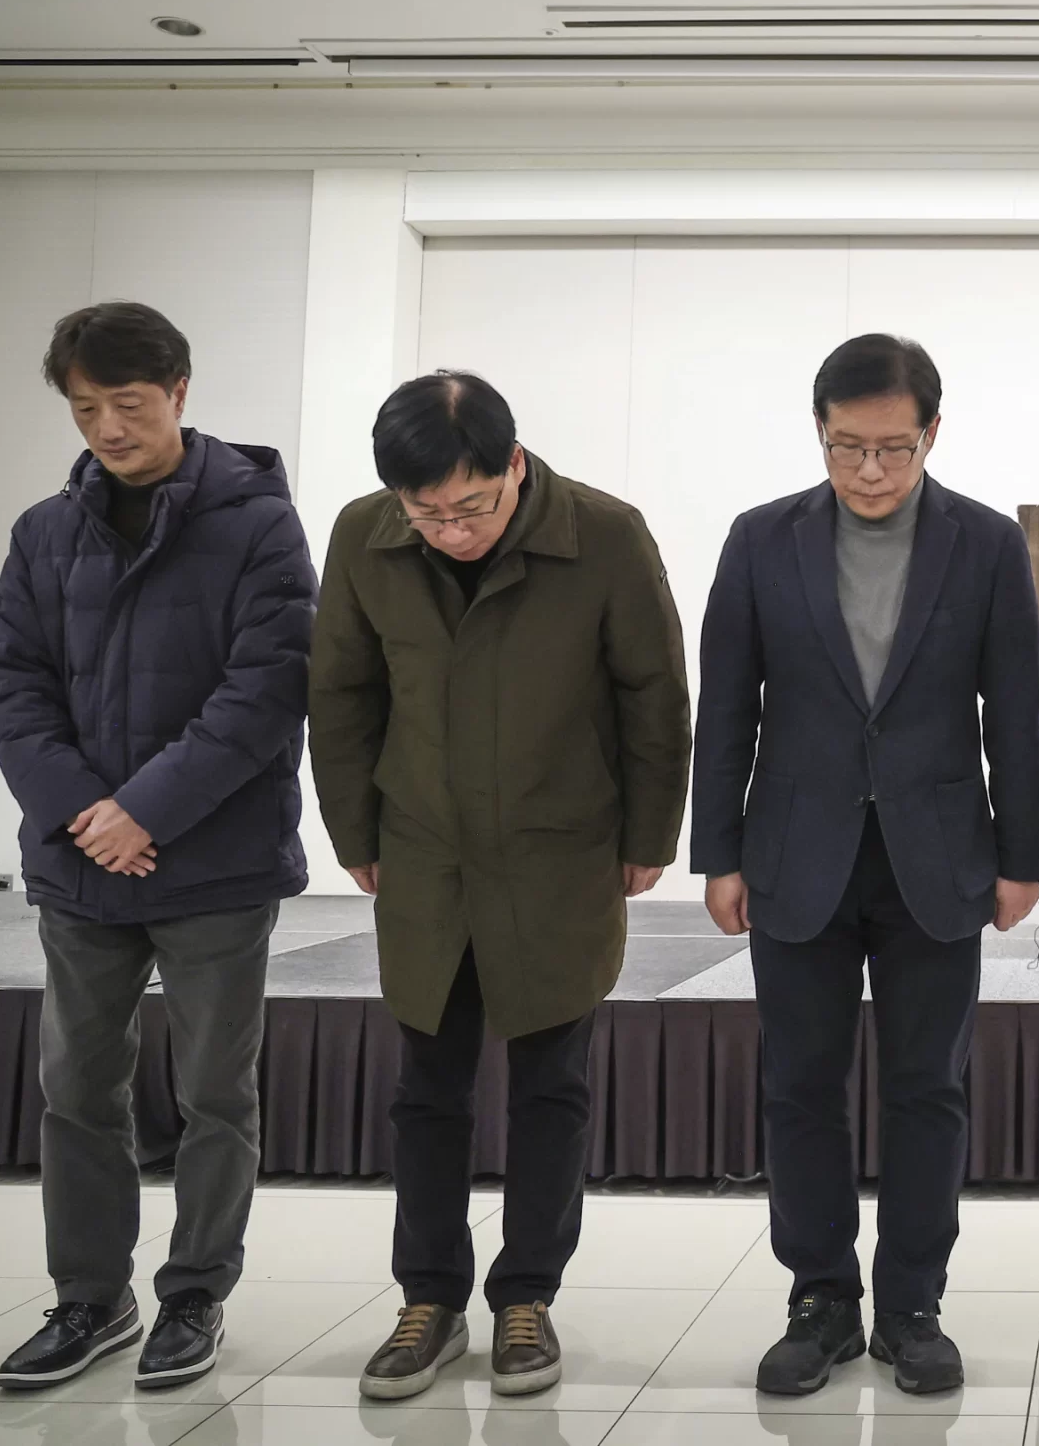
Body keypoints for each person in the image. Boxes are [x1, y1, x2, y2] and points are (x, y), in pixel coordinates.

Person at [309, 372, 692, 1402]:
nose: (450, 529)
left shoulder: (604, 536)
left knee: (550, 1087)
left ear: (514, 466)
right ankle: (426, 1299)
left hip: (559, 850)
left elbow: (654, 693)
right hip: (425, 852)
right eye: (426, 512)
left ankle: (527, 1297)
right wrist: (355, 831)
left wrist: (651, 833)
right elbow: (339, 692)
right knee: (425, 1089)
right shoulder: (363, 538)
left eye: (471, 505)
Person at [692, 333, 1039, 1398]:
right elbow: (727, 710)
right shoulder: (762, 539)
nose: (870, 473)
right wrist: (716, 851)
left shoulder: (984, 543)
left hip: (935, 855)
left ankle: (911, 1305)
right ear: (820, 433)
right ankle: (820, 1300)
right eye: (847, 449)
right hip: (794, 850)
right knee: (799, 1087)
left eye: (893, 449)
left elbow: (1015, 717)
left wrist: (1021, 856)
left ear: (932, 434)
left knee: (925, 1087)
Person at [0, 301, 316, 1392]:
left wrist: (148, 812)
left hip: (214, 861)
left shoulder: (258, 522)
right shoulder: (43, 531)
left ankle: (195, 1294)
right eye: (86, 409)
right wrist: (90, 815)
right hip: (84, 864)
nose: (108, 429)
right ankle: (90, 1297)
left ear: (179, 390)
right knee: (78, 1085)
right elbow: (14, 683)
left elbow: (266, 687)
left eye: (128, 404)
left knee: (217, 1089)